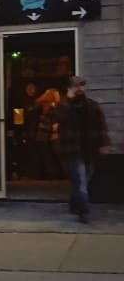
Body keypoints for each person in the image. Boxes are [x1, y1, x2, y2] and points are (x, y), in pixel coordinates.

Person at [49, 76, 112, 223]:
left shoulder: (93, 106)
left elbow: (102, 126)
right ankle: (83, 212)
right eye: (76, 86)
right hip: (73, 150)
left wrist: (104, 143)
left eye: (82, 85)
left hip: (91, 150)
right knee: (81, 182)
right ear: (69, 88)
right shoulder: (64, 106)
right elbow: (56, 119)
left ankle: (74, 205)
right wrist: (68, 99)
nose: (79, 88)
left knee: (82, 182)